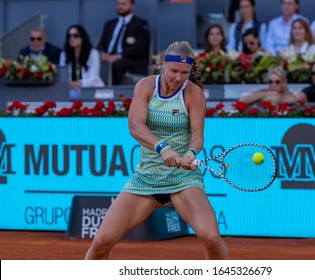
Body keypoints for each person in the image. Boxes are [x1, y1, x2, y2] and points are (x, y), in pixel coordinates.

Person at [85, 41, 228, 260]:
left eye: (184, 72)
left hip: (183, 179)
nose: (178, 77)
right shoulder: (145, 86)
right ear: (163, 64)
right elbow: (135, 126)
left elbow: (198, 136)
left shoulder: (194, 93)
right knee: (101, 242)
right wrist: (162, 148)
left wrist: (190, 153)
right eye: (173, 71)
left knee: (211, 238)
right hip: (146, 179)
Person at [97, 0, 150, 85]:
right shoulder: (110, 24)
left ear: (132, 6)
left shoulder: (140, 24)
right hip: (108, 59)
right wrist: (102, 54)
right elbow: (101, 44)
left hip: (130, 60)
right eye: (118, 4)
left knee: (118, 65)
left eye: (124, 4)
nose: (120, 6)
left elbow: (139, 47)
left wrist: (118, 56)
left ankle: (115, 93)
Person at [59, 25, 104, 99]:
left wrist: (76, 83)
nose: (72, 38)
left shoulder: (93, 53)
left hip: (92, 90)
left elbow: (93, 78)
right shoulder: (64, 54)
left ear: (82, 37)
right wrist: (70, 85)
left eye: (75, 35)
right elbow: (63, 77)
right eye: (69, 36)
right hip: (70, 91)